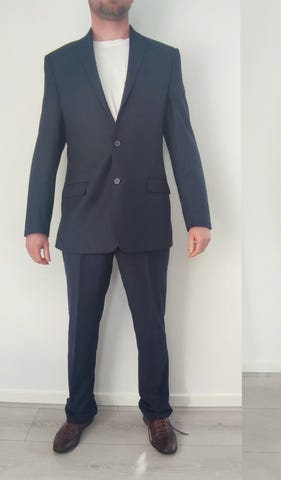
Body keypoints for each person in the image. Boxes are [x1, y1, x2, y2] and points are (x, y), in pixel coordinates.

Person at [24, 0, 211, 455]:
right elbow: (47, 146)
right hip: (83, 214)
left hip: (145, 213)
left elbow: (182, 139)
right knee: (82, 324)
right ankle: (77, 412)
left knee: (152, 324)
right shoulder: (61, 63)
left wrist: (198, 215)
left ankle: (157, 411)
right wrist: (35, 223)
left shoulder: (164, 59)